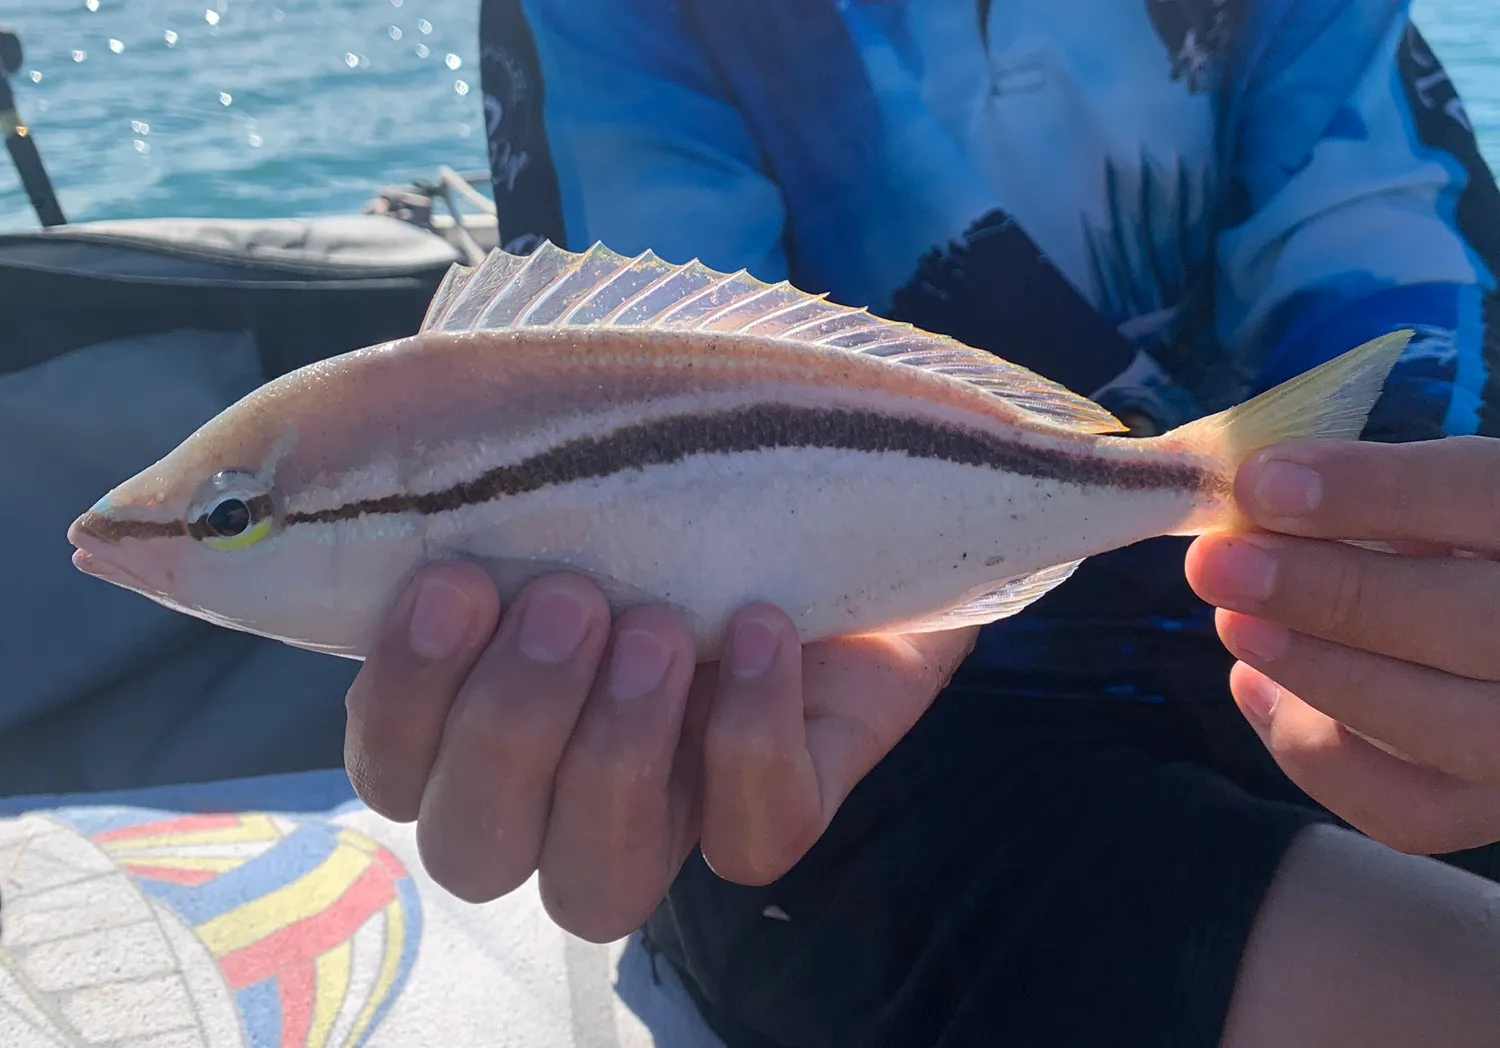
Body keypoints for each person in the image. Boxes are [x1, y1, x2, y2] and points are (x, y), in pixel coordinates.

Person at [345, 0, 1500, 1044]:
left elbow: (1396, 279)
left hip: (1284, 651)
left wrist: (1406, 586)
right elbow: (649, 382)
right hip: (850, 728)